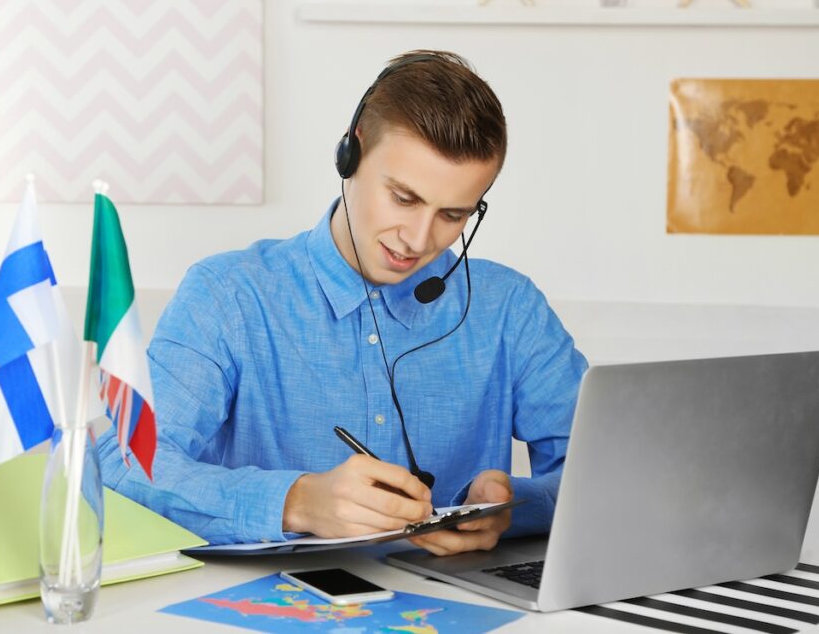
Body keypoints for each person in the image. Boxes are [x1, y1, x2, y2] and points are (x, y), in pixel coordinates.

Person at [97, 50, 587, 556]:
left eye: (453, 215)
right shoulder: (227, 294)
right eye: (404, 198)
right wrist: (297, 502)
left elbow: (603, 470)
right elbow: (121, 463)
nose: (418, 239)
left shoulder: (511, 308)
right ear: (350, 156)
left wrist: (512, 508)